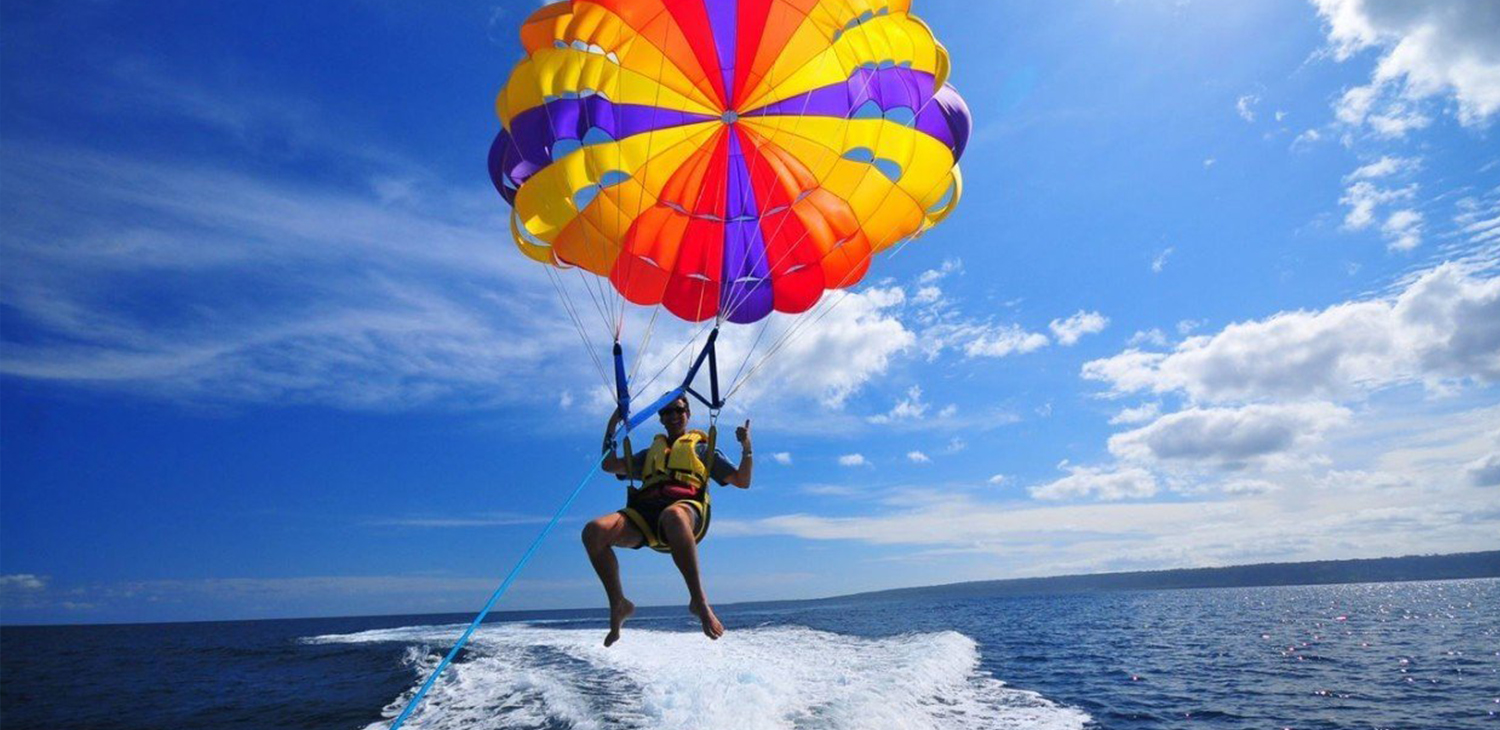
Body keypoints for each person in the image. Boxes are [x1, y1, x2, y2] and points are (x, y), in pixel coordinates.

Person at [582, 395, 753, 647]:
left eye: (678, 410)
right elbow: (608, 465)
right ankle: (619, 603)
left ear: (688, 413)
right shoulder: (650, 453)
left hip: (686, 512)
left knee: (672, 515)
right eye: (666, 412)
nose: (673, 416)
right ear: (660, 419)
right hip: (645, 518)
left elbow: (742, 480)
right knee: (593, 531)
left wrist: (746, 447)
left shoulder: (702, 449)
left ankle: (699, 601)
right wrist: (612, 425)